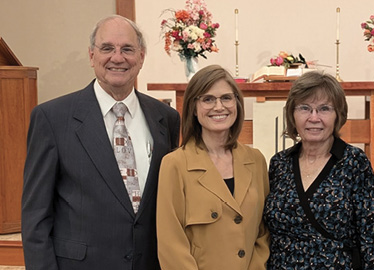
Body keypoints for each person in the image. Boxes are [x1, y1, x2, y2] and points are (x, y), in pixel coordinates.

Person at [21, 15, 180, 270]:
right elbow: (35, 217)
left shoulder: (166, 119)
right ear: (92, 56)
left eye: (127, 49)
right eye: (107, 48)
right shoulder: (52, 118)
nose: (117, 58)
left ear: (141, 57)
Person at [263, 71, 374, 269]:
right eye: (304, 108)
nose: (314, 118)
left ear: (338, 115)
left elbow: (371, 238)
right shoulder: (280, 163)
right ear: (292, 114)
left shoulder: (354, 162)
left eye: (324, 109)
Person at [156, 65, 270, 270]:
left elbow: (263, 232)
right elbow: (171, 243)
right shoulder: (175, 164)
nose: (219, 107)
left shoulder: (256, 160)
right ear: (194, 107)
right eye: (208, 99)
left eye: (226, 98)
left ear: (237, 103)